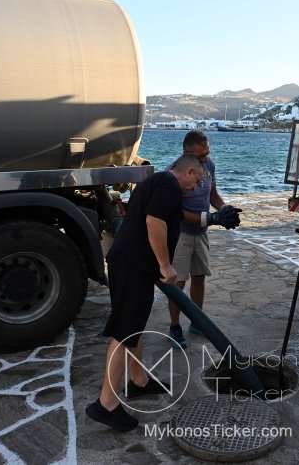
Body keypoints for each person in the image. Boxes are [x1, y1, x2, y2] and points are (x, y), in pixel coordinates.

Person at [86, 155, 204, 432]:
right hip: (134, 266)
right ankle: (106, 404)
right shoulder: (168, 184)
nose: (196, 187)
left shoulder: (157, 181)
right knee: (124, 330)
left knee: (133, 325)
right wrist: (165, 265)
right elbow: (154, 222)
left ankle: (138, 380)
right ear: (189, 171)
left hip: (130, 264)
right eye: (197, 181)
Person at [165, 130, 241, 348]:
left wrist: (224, 209)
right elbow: (176, 212)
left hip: (201, 232)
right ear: (185, 153)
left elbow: (212, 195)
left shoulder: (209, 165)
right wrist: (211, 218)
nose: (205, 159)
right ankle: (174, 326)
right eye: (201, 156)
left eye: (207, 154)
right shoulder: (172, 173)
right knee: (178, 282)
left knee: (199, 277)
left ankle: (197, 321)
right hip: (181, 233)